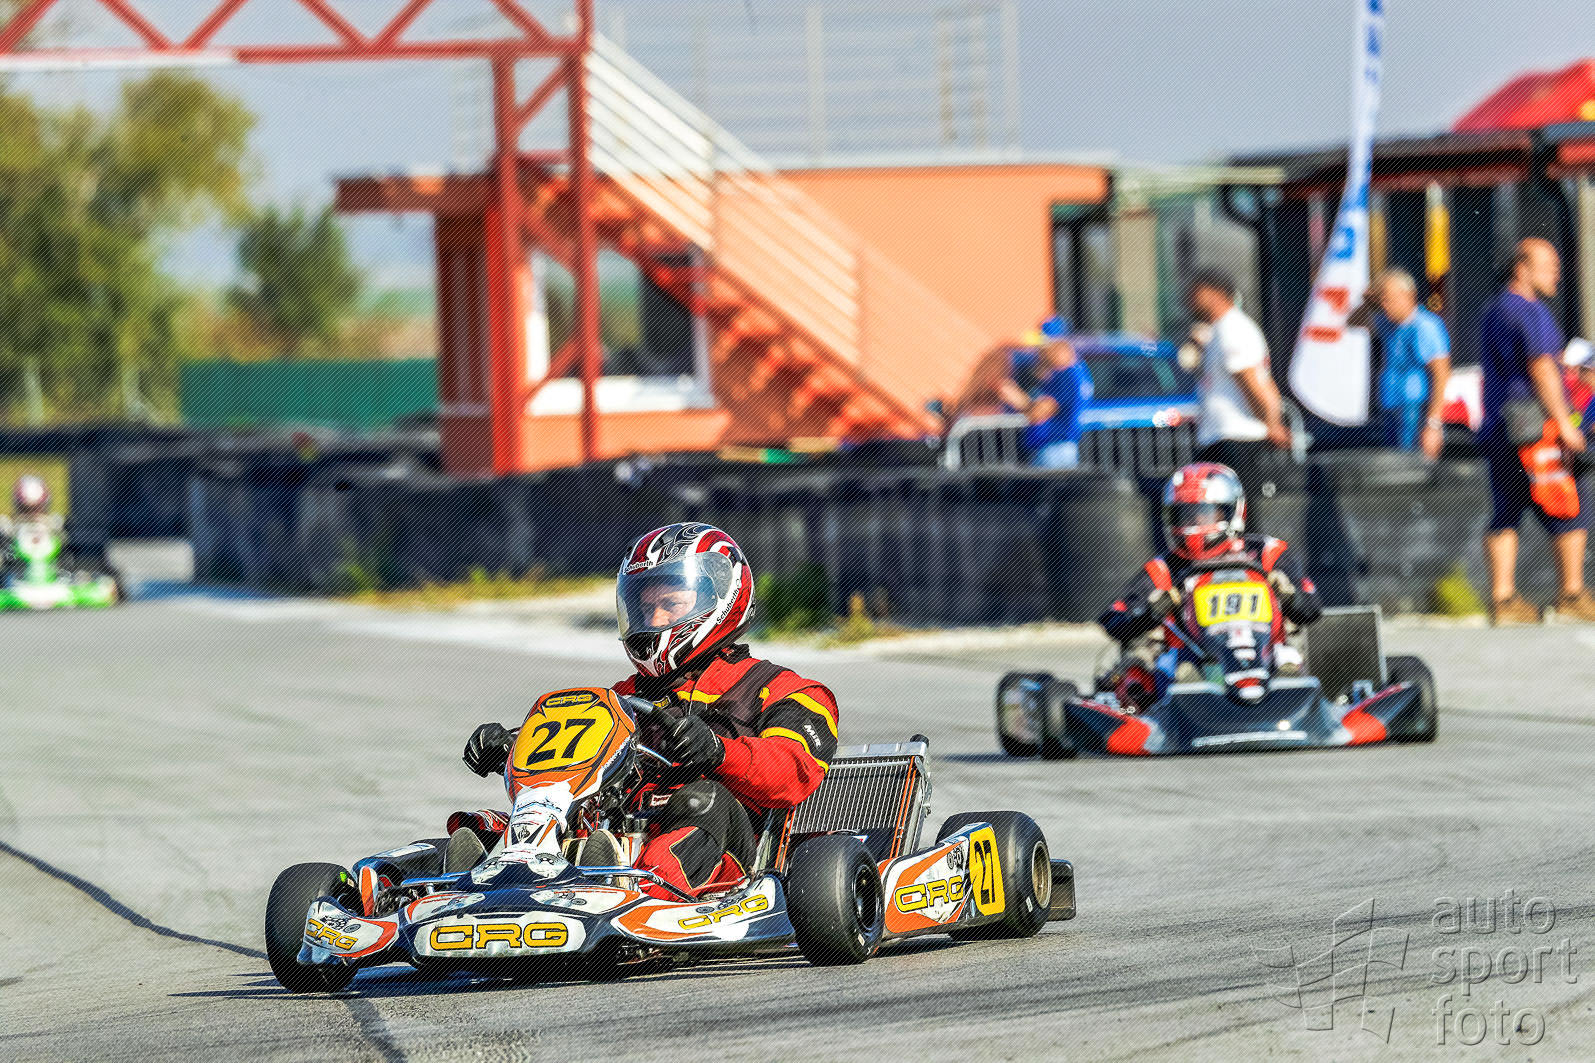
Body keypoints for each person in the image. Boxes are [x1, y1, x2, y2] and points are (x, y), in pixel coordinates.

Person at [459, 522, 839, 897]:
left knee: (703, 799)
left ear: (720, 599)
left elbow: (793, 770)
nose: (655, 621)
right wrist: (513, 747)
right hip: (624, 834)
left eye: (670, 605)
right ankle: (471, 881)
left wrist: (719, 751)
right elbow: (575, 751)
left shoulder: (783, 689)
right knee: (490, 826)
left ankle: (635, 890)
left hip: (726, 851)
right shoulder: (621, 697)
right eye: (645, 608)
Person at [1096, 462, 1321, 706]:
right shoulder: (1165, 568)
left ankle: (1289, 684)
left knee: (1289, 651)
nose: (1195, 522)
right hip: (1193, 657)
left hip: (1266, 651)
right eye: (1186, 515)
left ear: (1230, 511)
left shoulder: (1266, 552)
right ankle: (1184, 691)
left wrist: (1290, 595)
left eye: (1205, 512)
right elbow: (1113, 620)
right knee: (1157, 664)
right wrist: (1151, 611)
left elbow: (1312, 608)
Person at [1477, 238, 1595, 625]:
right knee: (1568, 505)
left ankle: (1504, 599)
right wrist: (1564, 423)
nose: (1556, 273)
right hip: (1537, 428)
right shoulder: (1528, 311)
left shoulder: (1496, 309)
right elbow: (1542, 368)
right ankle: (1572, 594)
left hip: (1502, 425)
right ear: (1522, 268)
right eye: (1549, 266)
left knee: (1506, 509)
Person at [1186, 269, 1292, 498]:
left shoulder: (1232, 329)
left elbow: (1250, 382)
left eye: (1195, 293)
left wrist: (1271, 425)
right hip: (1225, 436)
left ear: (1214, 293)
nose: (1189, 300)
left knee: (1236, 511)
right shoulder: (1221, 329)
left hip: (1236, 438)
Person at [1355, 267, 1452, 457]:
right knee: (1394, 465)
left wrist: (1433, 424)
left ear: (1408, 296)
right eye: (1382, 300)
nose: (1385, 305)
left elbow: (1441, 373)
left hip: (1415, 408)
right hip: (1391, 406)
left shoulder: (1425, 325)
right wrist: (1368, 302)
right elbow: (1353, 322)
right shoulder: (1387, 323)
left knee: (1409, 465)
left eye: (1389, 299)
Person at [998, 316, 1094, 469]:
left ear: (1059, 346)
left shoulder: (1067, 375)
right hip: (1055, 449)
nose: (1039, 352)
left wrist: (1016, 397)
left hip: (1053, 451)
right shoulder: (1071, 372)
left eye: (1044, 347)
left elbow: (1039, 412)